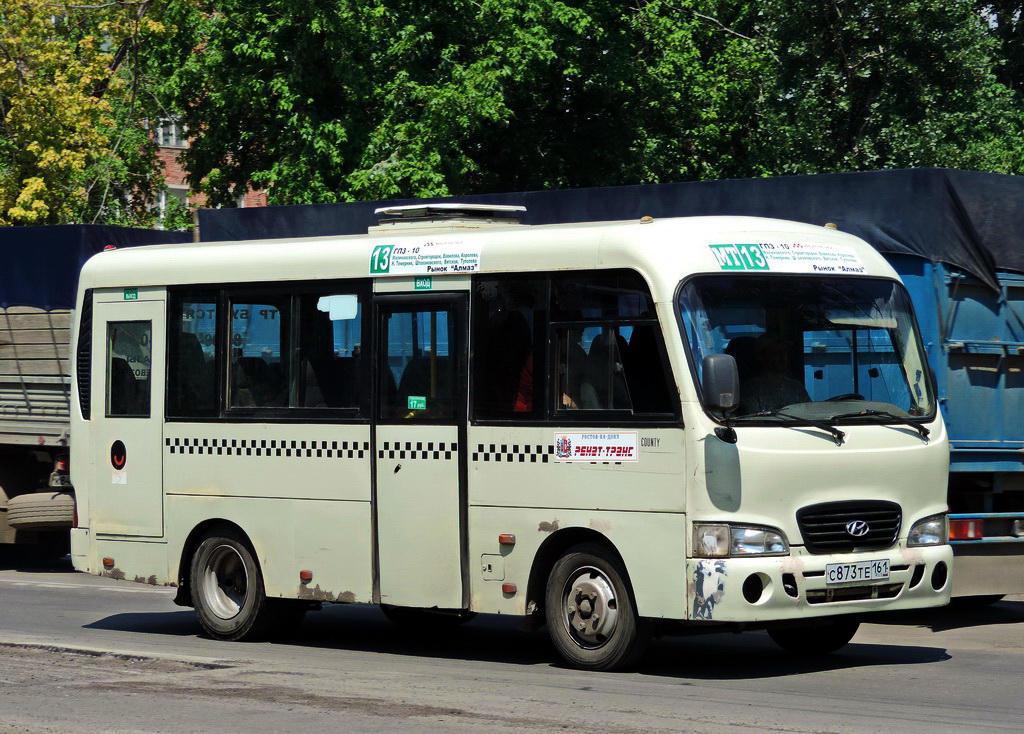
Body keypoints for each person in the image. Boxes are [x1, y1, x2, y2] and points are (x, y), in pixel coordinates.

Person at [739, 333, 810, 413]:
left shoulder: (796, 387)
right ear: (761, 357)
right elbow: (753, 421)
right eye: (776, 352)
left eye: (785, 351)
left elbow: (809, 413)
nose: (783, 357)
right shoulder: (751, 391)